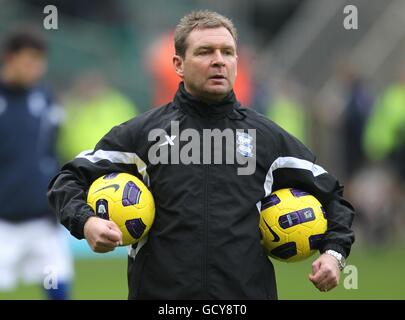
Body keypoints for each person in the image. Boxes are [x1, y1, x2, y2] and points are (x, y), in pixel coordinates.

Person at [48, 11, 355, 299]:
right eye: (205, 52)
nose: (218, 61)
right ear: (178, 64)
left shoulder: (266, 138)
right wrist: (87, 222)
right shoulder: (142, 134)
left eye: (227, 52)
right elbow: (68, 179)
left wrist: (333, 254)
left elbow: (334, 198)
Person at [0, 30, 73, 299]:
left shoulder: (45, 98)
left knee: (59, 289)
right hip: (3, 223)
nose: (36, 69)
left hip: (42, 219)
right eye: (29, 61)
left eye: (40, 61)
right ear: (10, 58)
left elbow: (50, 152)